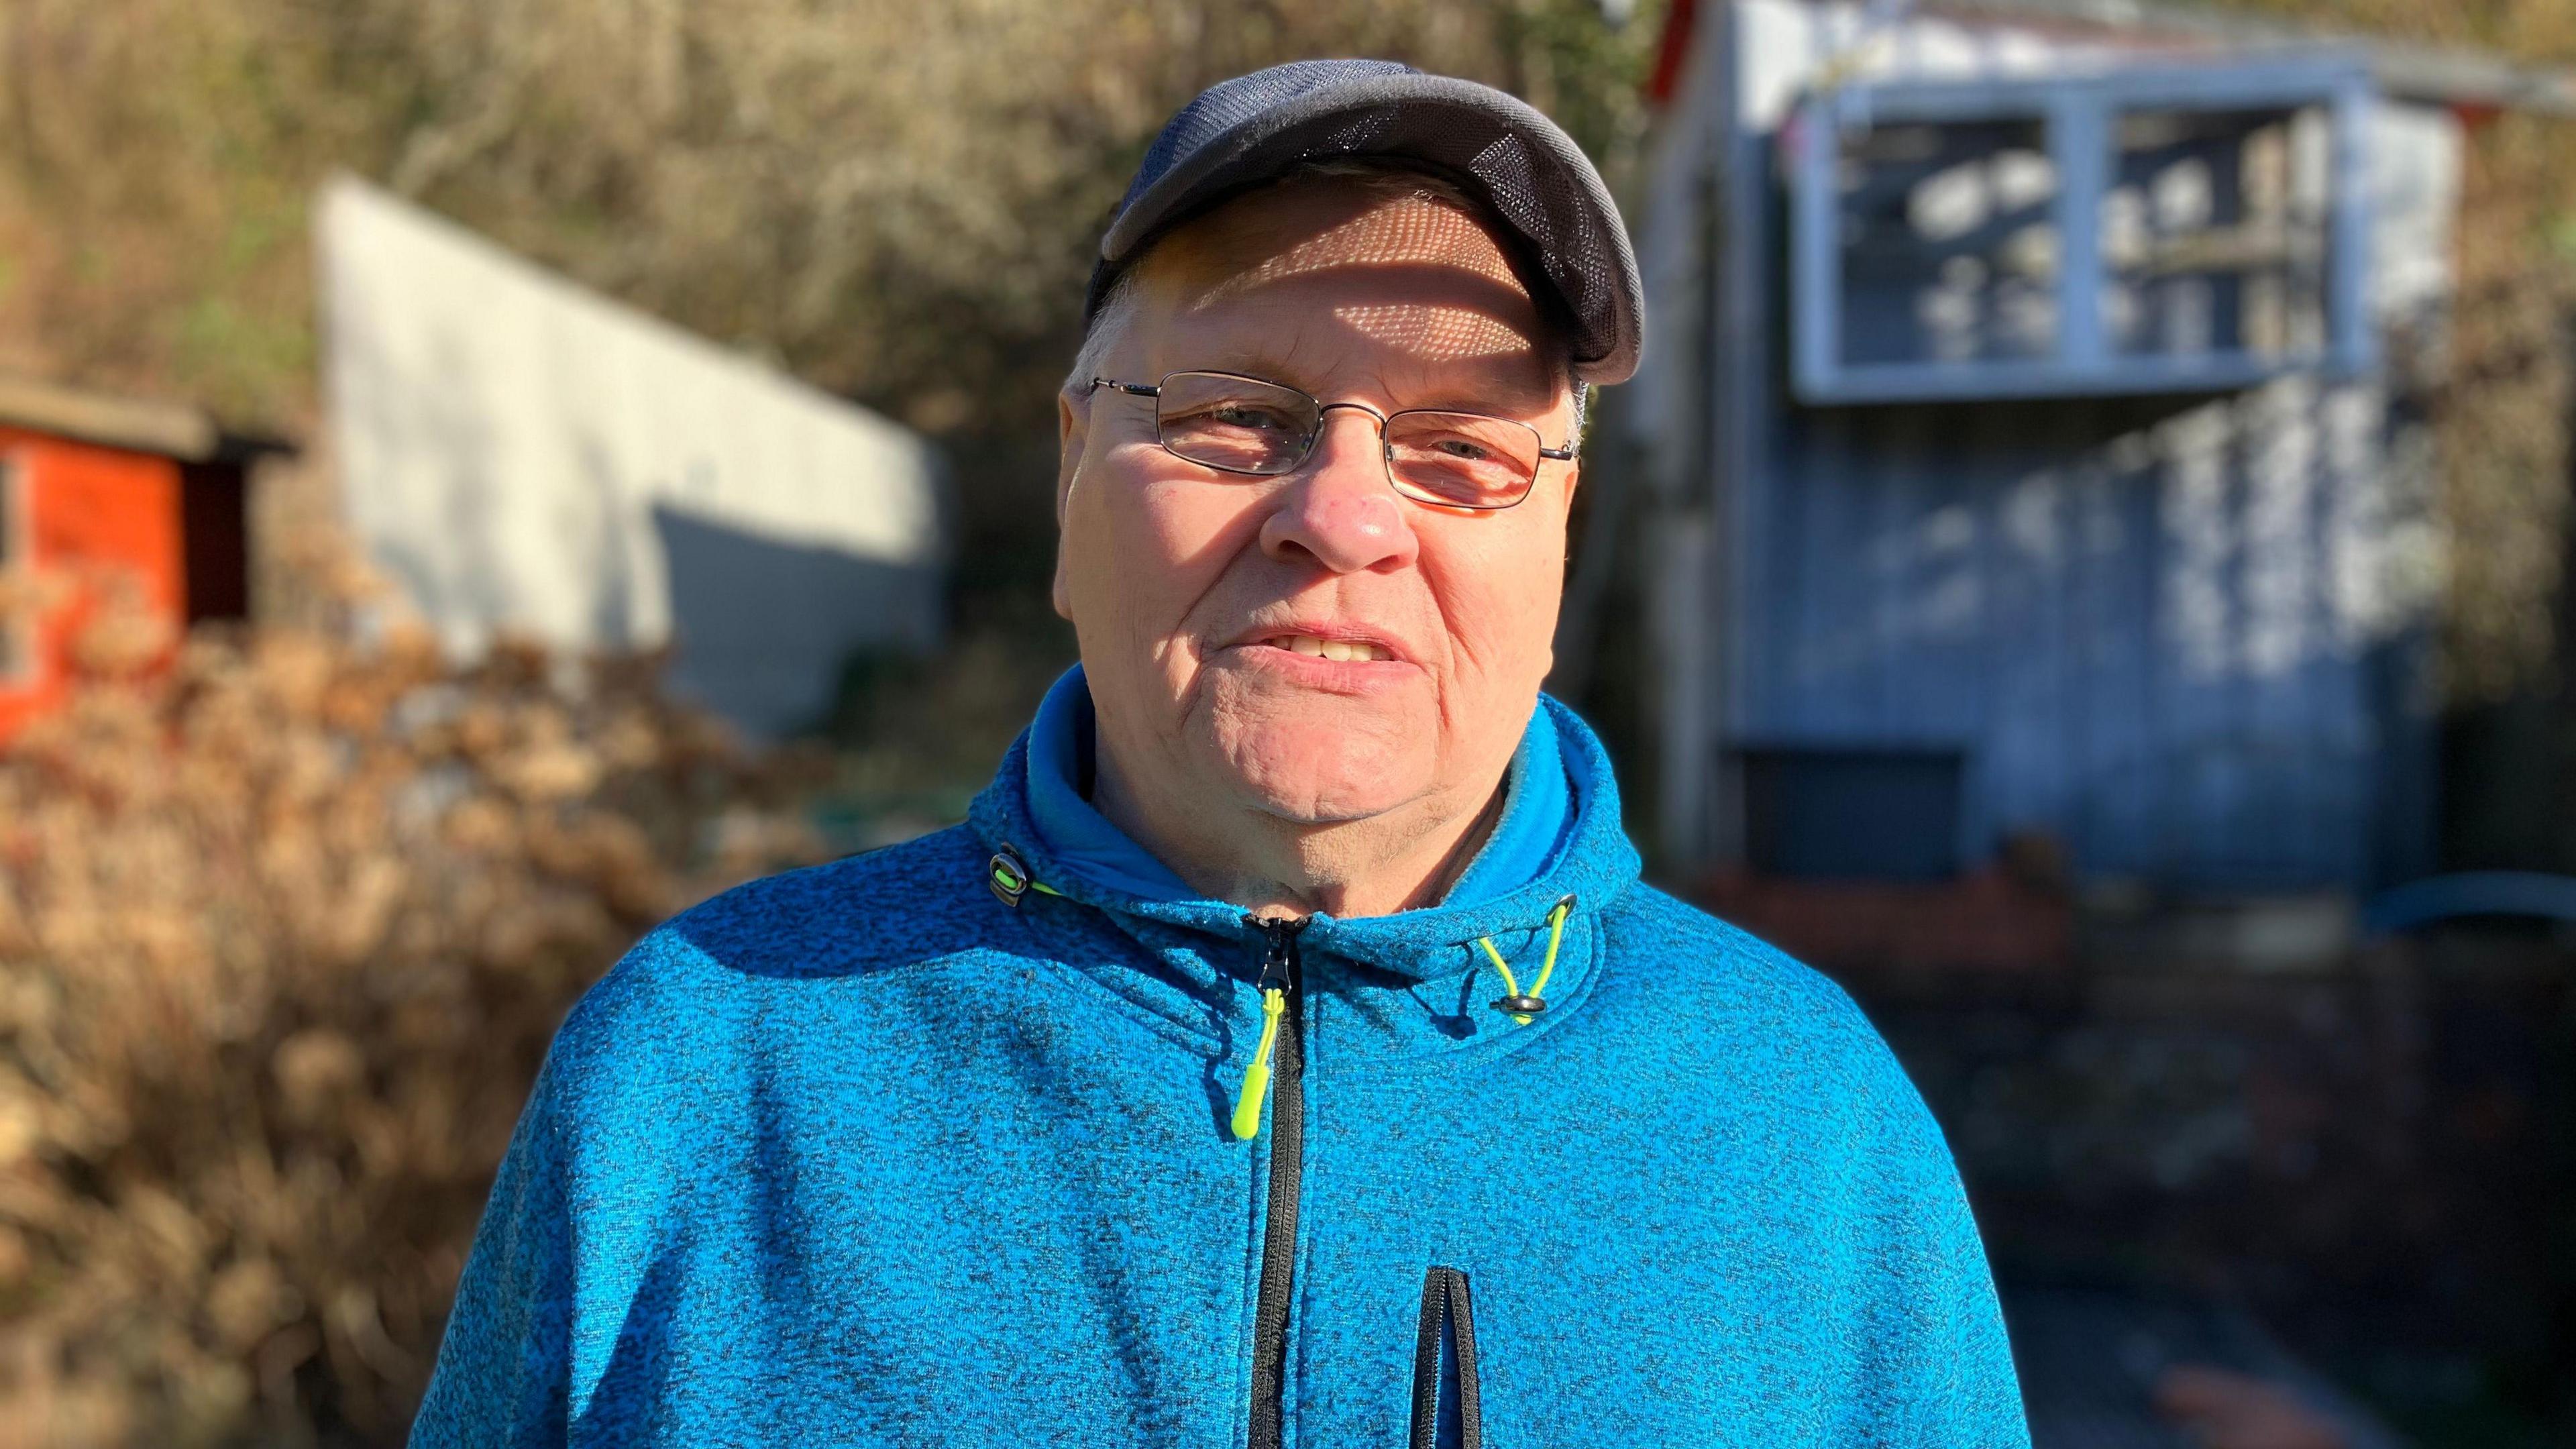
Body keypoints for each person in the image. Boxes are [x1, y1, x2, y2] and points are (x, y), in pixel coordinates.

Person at [412, 59, 2030, 1448]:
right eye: (1237, 414)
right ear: (1070, 474)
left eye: (1461, 450)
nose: (1342, 517)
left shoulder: (1809, 1129)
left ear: (1560, 537)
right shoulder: (701, 1074)